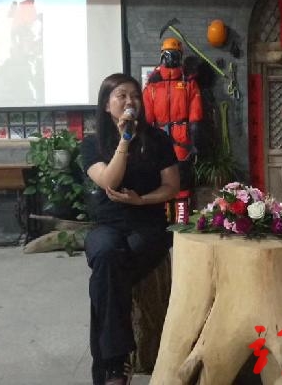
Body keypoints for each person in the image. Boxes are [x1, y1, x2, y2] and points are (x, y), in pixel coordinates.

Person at [81, 73, 180, 385]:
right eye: (121, 95)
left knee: (107, 277)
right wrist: (125, 140)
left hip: (148, 224)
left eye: (135, 96)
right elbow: (109, 181)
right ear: (106, 104)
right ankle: (117, 360)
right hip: (108, 224)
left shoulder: (158, 140)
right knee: (105, 254)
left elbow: (171, 186)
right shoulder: (92, 143)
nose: (129, 102)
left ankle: (111, 366)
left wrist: (142, 200)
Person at [143, 36, 203, 222]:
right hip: (158, 135)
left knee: (182, 177)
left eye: (174, 54)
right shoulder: (152, 84)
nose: (171, 58)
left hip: (181, 137)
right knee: (160, 175)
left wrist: (195, 139)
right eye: (168, 54)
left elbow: (196, 114)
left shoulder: (189, 83)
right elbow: (147, 115)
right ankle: (162, 216)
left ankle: (181, 217)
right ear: (162, 56)